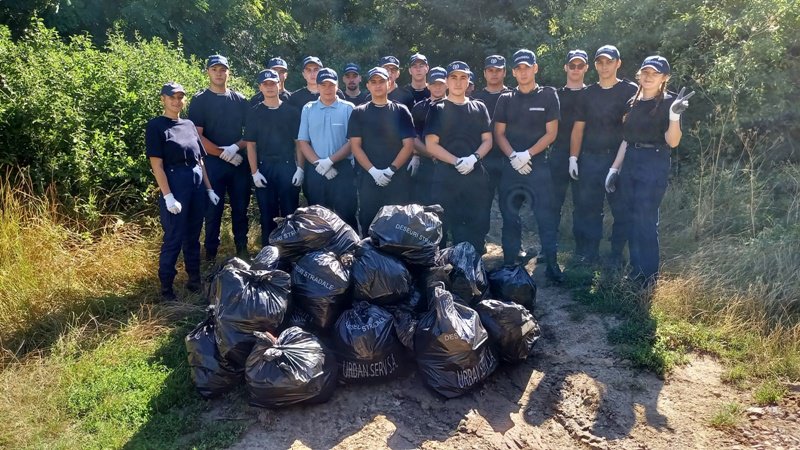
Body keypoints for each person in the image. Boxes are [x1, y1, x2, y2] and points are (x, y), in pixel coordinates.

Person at [606, 55, 693, 285]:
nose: (648, 77)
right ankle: (635, 271)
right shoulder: (633, 102)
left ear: (664, 77)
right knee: (631, 218)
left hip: (654, 162)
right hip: (631, 160)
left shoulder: (670, 103)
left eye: (655, 73)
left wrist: (674, 116)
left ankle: (648, 277)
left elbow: (672, 142)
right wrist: (614, 169)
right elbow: (627, 139)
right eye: (645, 72)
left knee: (645, 219)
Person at [494, 49, 563, 282]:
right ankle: (510, 263)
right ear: (513, 72)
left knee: (545, 215)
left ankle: (552, 264)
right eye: (518, 68)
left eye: (527, 67)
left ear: (535, 68)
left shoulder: (548, 95)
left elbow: (551, 133)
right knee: (510, 215)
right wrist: (514, 156)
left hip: (538, 165)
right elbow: (499, 133)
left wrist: (528, 154)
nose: (523, 72)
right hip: (511, 166)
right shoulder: (505, 98)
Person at [146, 82, 220, 300]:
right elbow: (157, 165)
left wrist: (209, 189)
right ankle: (167, 289)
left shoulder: (188, 124)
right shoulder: (156, 126)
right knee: (174, 237)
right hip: (175, 184)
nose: (177, 102)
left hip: (196, 184)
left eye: (180, 97)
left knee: (193, 236)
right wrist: (168, 196)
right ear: (163, 99)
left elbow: (200, 160)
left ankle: (194, 280)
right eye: (172, 97)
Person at [569, 45, 637, 266]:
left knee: (621, 209)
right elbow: (578, 128)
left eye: (609, 62)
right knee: (589, 209)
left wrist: (618, 166)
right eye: (600, 62)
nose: (605, 66)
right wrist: (573, 157)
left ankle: (616, 254)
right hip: (590, 159)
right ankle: (590, 254)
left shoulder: (629, 91)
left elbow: (631, 130)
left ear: (618, 63)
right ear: (595, 65)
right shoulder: (587, 93)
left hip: (619, 160)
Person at [424, 61, 493, 253]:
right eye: (453, 77)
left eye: (463, 77)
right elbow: (431, 144)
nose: (458, 82)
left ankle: (473, 274)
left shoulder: (479, 107)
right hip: (446, 177)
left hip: (475, 177)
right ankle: (439, 275)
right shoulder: (438, 109)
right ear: (446, 81)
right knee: (441, 228)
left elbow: (488, 140)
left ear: (468, 81)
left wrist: (474, 158)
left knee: (475, 228)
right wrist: (456, 161)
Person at [187, 54, 250, 260]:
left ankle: (242, 249)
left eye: (223, 69)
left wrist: (235, 148)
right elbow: (197, 136)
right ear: (208, 72)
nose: (219, 73)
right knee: (213, 211)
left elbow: (250, 134)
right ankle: (210, 254)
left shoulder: (240, 100)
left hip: (239, 164)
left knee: (241, 208)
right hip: (212, 165)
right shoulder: (200, 100)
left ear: (228, 72)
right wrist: (223, 154)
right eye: (214, 69)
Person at [348, 67, 416, 231]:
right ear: (368, 86)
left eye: (382, 81)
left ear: (389, 83)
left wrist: (391, 170)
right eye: (374, 82)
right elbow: (355, 146)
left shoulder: (401, 111)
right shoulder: (359, 112)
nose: (378, 85)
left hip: (397, 178)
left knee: (398, 226)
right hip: (369, 179)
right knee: (370, 224)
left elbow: (409, 145)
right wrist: (373, 171)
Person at [244, 69, 304, 246]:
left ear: (279, 85)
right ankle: (268, 257)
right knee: (267, 215)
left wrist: (300, 168)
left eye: (273, 83)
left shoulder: (292, 112)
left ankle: (291, 255)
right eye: (266, 84)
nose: (270, 87)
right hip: (264, 167)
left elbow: (298, 143)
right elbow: (251, 145)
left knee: (290, 215)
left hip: (287, 167)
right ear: (260, 87)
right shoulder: (254, 113)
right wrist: (254, 172)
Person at [296, 67, 359, 230]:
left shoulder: (348, 108)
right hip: (316, 169)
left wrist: (330, 161)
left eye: (331, 85)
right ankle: (321, 254)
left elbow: (352, 142)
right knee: (317, 217)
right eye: (323, 85)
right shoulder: (308, 108)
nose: (327, 89)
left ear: (337, 86)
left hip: (342, 169)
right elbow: (303, 141)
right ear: (317, 87)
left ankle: (349, 251)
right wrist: (319, 164)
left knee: (346, 214)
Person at [472, 55, 512, 247]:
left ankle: (513, 248)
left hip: (509, 159)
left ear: (504, 72)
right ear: (485, 73)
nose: (494, 74)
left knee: (510, 206)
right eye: (490, 70)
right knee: (481, 205)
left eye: (498, 70)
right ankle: (478, 245)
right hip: (483, 160)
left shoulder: (514, 96)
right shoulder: (476, 99)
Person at [551, 50, 588, 254]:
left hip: (586, 155)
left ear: (586, 68)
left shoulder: (592, 93)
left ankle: (581, 250)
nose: (575, 69)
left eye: (579, 66)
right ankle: (549, 248)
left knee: (582, 204)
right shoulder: (555, 94)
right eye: (572, 65)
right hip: (558, 153)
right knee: (553, 203)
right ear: (565, 67)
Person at [409, 66, 447, 206]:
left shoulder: (456, 106)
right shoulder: (419, 107)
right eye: (433, 84)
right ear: (428, 85)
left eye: (441, 84)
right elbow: (413, 136)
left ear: (447, 84)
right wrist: (428, 154)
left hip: (451, 165)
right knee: (424, 205)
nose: (437, 87)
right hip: (426, 164)